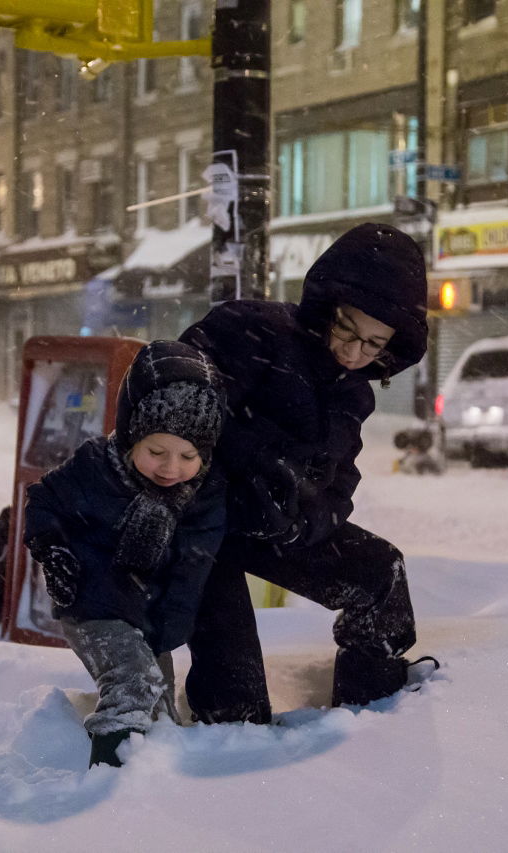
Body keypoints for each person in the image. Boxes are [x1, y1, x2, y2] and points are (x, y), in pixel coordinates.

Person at [178, 222, 437, 724]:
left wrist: (306, 522)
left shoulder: (353, 393)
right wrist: (259, 466)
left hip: (272, 526)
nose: (356, 352)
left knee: (382, 575)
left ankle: (373, 720)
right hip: (197, 522)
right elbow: (181, 411)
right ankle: (224, 750)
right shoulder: (247, 329)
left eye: (375, 345)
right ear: (330, 304)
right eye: (349, 330)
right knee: (235, 686)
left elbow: (340, 485)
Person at [23, 340, 227, 767]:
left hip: (150, 616)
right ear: (133, 433)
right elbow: (43, 500)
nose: (171, 467)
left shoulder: (204, 495)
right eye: (156, 452)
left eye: (188, 455)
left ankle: (156, 791)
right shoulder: (95, 467)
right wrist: (53, 550)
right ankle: (109, 782)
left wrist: (171, 627)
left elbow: (195, 563)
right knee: (134, 684)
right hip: (93, 602)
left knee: (160, 709)